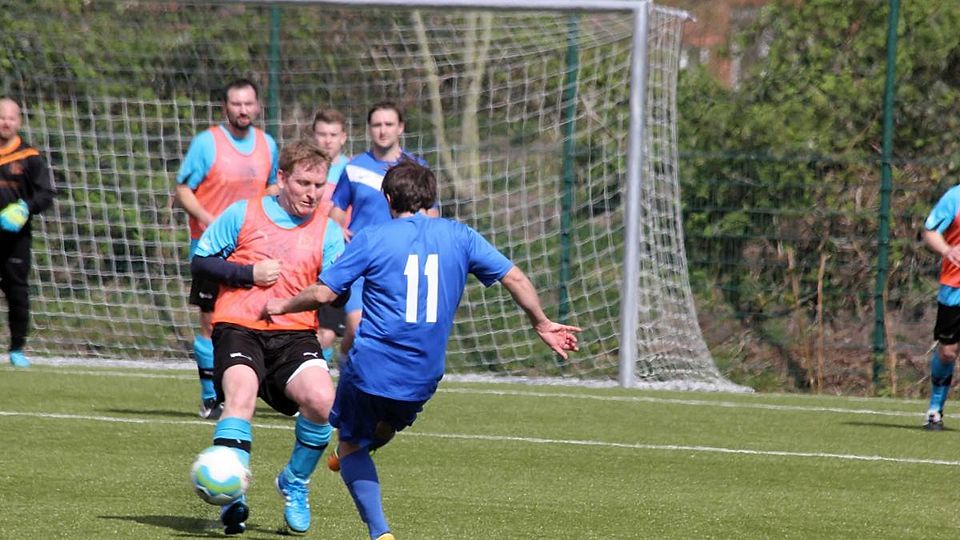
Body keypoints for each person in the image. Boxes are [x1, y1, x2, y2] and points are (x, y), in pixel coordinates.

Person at [264, 160, 580, 540]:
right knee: (384, 426)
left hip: (371, 369)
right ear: (431, 198)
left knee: (349, 445)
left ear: (388, 198)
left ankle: (380, 531)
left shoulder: (373, 237)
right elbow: (513, 276)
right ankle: (355, 452)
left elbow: (324, 293)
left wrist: (282, 305)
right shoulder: (460, 235)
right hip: (424, 375)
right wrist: (541, 323)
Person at [191, 139, 345, 535]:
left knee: (323, 401)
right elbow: (201, 262)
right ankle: (232, 492)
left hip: (294, 335)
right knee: (240, 397)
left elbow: (335, 290)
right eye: (303, 183)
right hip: (239, 328)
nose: (312, 193)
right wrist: (248, 274)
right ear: (282, 178)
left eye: (319, 185)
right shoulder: (243, 213)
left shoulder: (328, 231)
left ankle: (295, 481)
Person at [175, 78, 279, 420]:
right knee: (211, 322)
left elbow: (272, 188)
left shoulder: (267, 144)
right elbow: (183, 191)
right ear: (225, 108)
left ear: (257, 106)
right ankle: (211, 398)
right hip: (211, 249)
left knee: (257, 319)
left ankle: (260, 390)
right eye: (236, 104)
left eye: (248, 103)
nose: (243, 110)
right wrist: (210, 220)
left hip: (253, 249)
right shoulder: (207, 143)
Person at [329, 101, 439, 358]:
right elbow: (335, 212)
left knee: (392, 332)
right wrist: (336, 229)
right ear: (369, 129)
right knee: (356, 327)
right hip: (361, 262)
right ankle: (345, 365)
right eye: (377, 124)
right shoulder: (354, 168)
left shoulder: (417, 169)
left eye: (389, 124)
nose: (383, 130)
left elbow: (432, 215)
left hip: (400, 263)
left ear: (400, 128)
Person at [0, 98, 55, 368]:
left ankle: (17, 348)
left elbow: (46, 193)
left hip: (16, 238)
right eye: (2, 117)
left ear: (19, 122)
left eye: (11, 118)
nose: (6, 122)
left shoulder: (30, 156)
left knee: (17, 293)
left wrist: (25, 208)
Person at [311, 108, 350, 364]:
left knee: (331, 332)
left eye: (333, 135)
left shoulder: (352, 169)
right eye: (322, 134)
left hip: (339, 258)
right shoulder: (305, 168)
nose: (327, 140)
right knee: (317, 331)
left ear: (343, 137)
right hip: (307, 254)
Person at [921, 187, 960, 430]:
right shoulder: (955, 197)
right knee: (947, 352)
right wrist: (947, 250)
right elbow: (930, 232)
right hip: (955, 287)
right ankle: (935, 409)